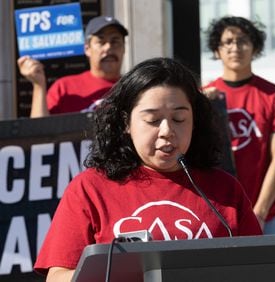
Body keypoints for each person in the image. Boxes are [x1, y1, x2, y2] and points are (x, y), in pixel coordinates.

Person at [33, 57, 262, 281]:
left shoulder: (226, 189)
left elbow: (261, 267)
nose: (167, 130)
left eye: (179, 118)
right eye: (153, 120)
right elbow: (58, 276)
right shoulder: (89, 188)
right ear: (126, 123)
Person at [203, 16, 275, 234]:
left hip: (265, 213)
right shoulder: (204, 97)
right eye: (228, 42)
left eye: (243, 40)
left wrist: (260, 212)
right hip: (219, 211)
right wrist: (202, 107)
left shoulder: (274, 95)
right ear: (217, 51)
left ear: (254, 48)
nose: (235, 47)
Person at [17, 15, 128, 118]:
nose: (108, 47)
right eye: (101, 41)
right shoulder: (64, 88)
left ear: (124, 48)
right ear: (87, 49)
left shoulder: (133, 88)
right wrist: (38, 86)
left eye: (115, 41)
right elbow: (39, 132)